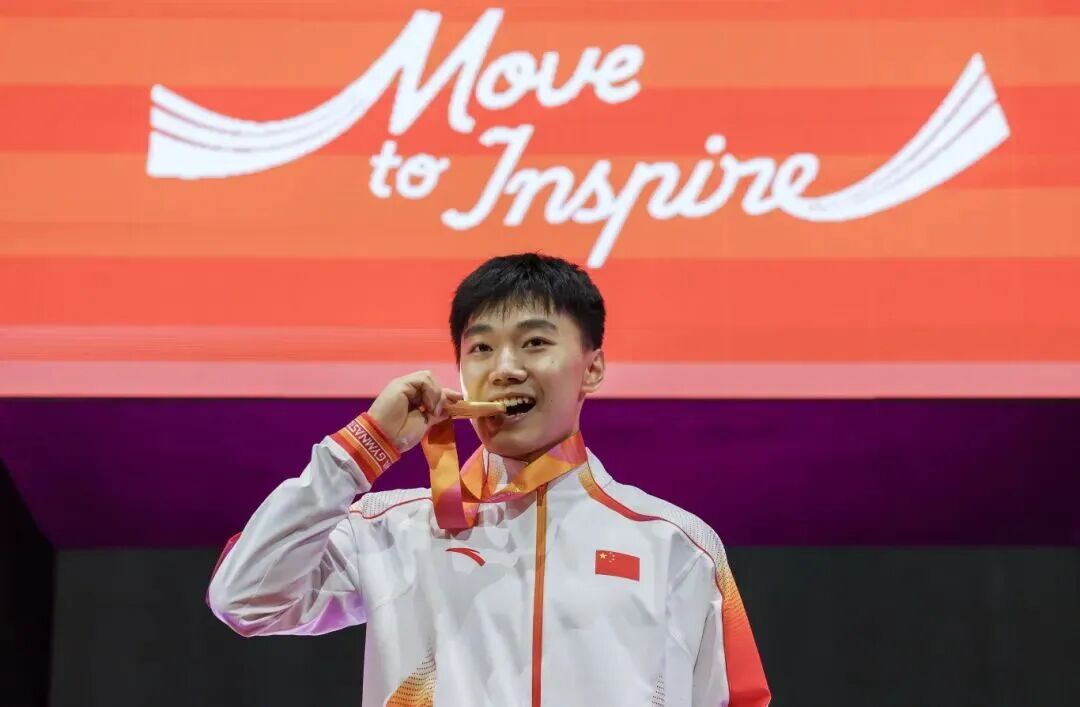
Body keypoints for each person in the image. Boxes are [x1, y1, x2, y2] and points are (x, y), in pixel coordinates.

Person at [208, 253, 771, 706]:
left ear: (593, 368)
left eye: (535, 342)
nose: (504, 367)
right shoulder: (394, 531)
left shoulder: (678, 544)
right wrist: (361, 450)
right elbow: (246, 599)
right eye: (481, 348)